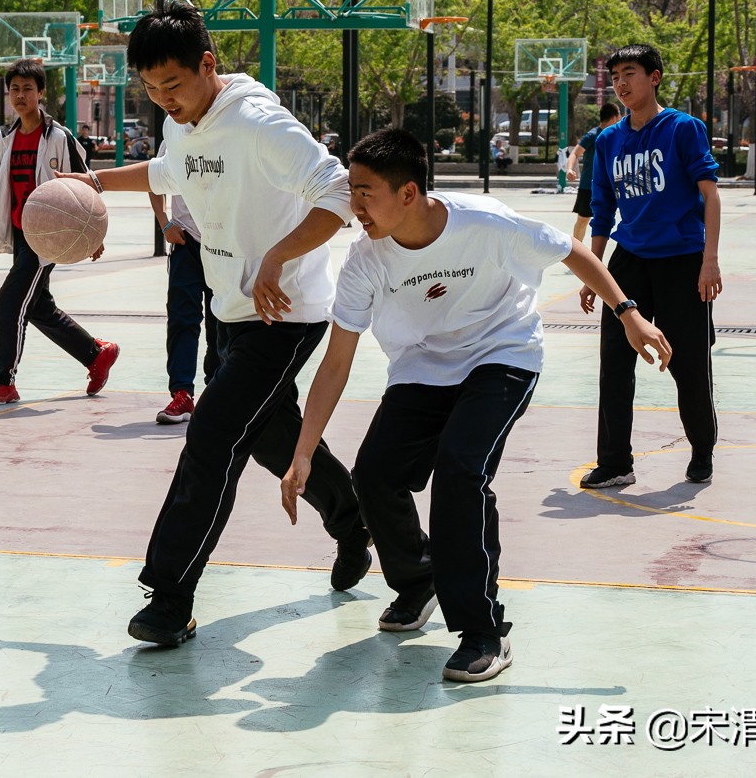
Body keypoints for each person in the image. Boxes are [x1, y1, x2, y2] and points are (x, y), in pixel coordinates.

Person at [281, 129, 670, 683]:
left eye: (365, 192)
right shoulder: (365, 261)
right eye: (352, 190)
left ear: (408, 193)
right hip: (421, 367)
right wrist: (302, 452)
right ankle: (420, 579)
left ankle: (484, 630)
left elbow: (571, 250)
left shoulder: (485, 222)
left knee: (461, 470)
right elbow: (337, 361)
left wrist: (628, 312)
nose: (354, 205)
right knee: (374, 474)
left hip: (501, 354)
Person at [54, 1, 370, 649]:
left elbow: (337, 192)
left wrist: (278, 257)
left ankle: (169, 598)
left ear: (208, 64)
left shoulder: (257, 123)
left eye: (172, 85)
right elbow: (171, 171)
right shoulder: (186, 124)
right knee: (267, 439)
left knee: (212, 438)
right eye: (149, 88)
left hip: (285, 314)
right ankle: (355, 522)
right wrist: (93, 183)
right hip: (231, 308)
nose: (163, 99)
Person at [580, 44, 722, 488]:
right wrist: (594, 271)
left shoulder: (683, 128)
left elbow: (711, 196)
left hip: (682, 259)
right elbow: (602, 211)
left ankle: (702, 449)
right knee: (614, 364)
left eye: (630, 74)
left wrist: (709, 262)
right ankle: (616, 462)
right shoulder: (607, 141)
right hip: (630, 261)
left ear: (654, 77)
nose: (621, 84)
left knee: (688, 364)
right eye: (615, 76)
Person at [0, 58, 119, 407]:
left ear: (41, 93)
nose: (21, 95)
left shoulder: (59, 137)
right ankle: (95, 353)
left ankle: (2, 381)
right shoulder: (5, 138)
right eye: (15, 89)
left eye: (28, 89)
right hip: (22, 232)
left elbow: (87, 184)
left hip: (48, 237)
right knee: (37, 307)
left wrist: (93, 233)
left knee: (9, 304)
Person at [149, 161, 218, 425]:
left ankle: (216, 391)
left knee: (222, 319)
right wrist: (165, 223)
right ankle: (182, 393)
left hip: (222, 242)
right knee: (181, 318)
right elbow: (152, 181)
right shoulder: (175, 138)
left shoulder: (229, 131)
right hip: (185, 240)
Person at [566, 103, 620, 240]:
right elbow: (574, 153)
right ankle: (577, 251)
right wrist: (570, 169)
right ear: (614, 118)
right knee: (583, 220)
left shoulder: (617, 135)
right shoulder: (592, 135)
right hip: (588, 186)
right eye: (619, 114)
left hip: (609, 186)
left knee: (606, 221)